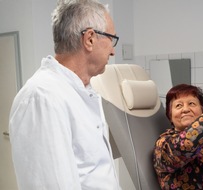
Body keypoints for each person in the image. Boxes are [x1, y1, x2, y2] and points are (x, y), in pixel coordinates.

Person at [9, 0, 120, 189]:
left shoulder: (82, 92)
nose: (113, 51)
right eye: (111, 39)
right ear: (90, 39)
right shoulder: (42, 97)